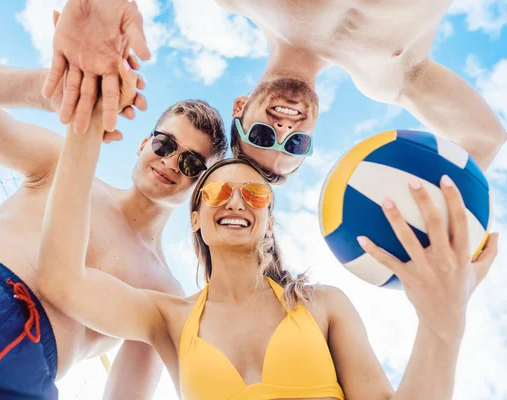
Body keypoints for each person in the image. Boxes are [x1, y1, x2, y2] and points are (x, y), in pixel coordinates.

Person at [38, 95, 500, 400]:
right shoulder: (169, 319)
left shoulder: (323, 306)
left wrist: (443, 326)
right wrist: (86, 126)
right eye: (218, 193)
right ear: (195, 218)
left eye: (254, 195)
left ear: (268, 222)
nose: (236, 201)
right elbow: (63, 280)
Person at [0, 56, 227, 398]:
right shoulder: (64, 166)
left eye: (191, 163)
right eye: (165, 144)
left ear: (201, 186)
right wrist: (43, 90)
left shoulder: (164, 291)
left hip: (16, 371)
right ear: (143, 144)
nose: (170, 162)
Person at [46, 0, 506, 183]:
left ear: (241, 107)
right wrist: (444, 207)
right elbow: (485, 138)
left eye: (264, 137)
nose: (285, 128)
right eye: (296, 144)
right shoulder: (392, 76)